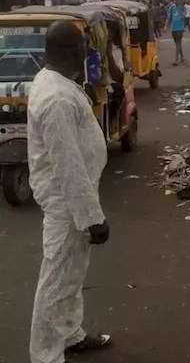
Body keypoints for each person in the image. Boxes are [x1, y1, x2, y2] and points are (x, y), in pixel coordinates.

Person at [28, 21, 111, 363]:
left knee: (71, 276)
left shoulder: (56, 82)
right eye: (82, 47)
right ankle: (46, 354)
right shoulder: (57, 97)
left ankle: (70, 334)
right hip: (67, 203)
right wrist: (93, 218)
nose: (86, 52)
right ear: (70, 51)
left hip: (74, 198)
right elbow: (68, 165)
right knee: (57, 280)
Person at [166, 0, 186, 65]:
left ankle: (176, 60)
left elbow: (183, 17)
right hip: (173, 28)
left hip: (180, 28)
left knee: (178, 43)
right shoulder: (172, 8)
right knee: (178, 44)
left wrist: (179, 9)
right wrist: (166, 26)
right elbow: (169, 18)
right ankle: (182, 58)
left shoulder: (183, 8)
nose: (176, 1)